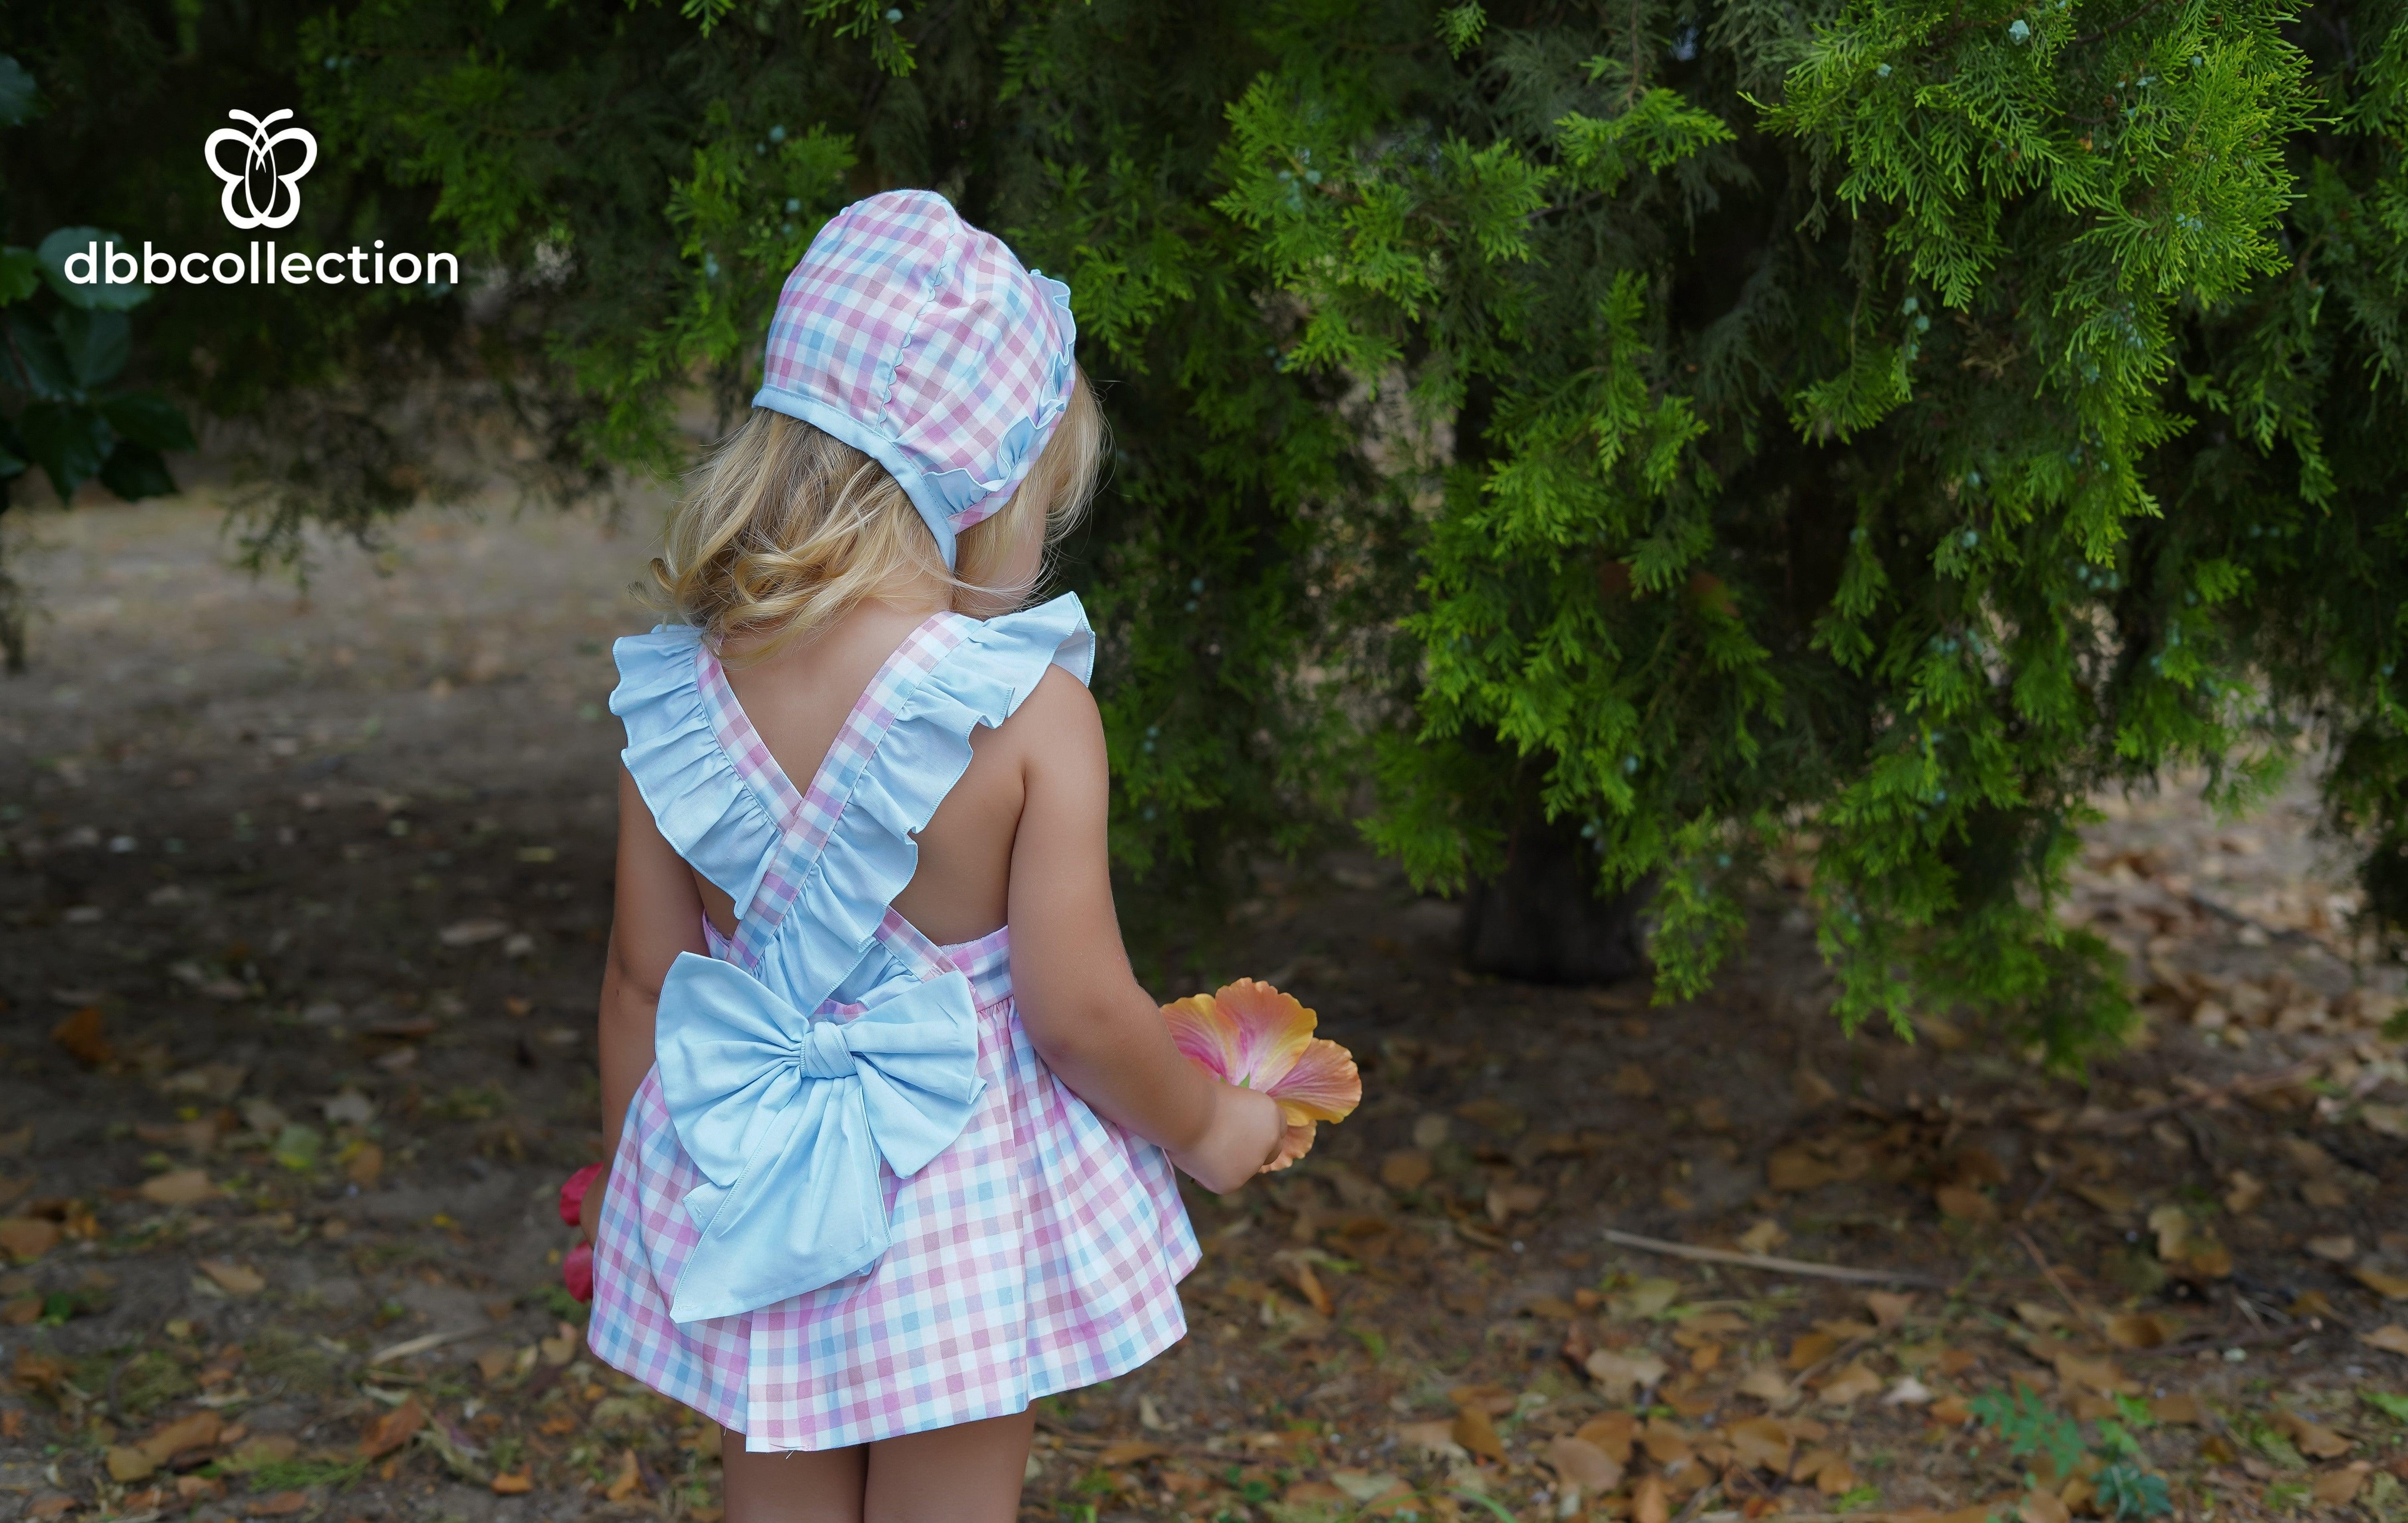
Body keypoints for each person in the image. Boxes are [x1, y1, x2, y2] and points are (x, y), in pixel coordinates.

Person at [576, 190, 1289, 1523]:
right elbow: (1077, 1014)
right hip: (955, 1204)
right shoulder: (1028, 710)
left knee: (772, 1475)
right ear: (989, 483)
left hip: (754, 1182)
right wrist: (1209, 1122)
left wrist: (642, 1187)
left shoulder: (677, 690)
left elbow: (643, 982)